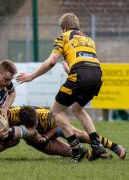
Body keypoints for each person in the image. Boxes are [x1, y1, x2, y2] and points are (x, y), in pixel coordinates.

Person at [16, 12, 116, 161]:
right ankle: (96, 145)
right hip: (97, 76)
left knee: (55, 111)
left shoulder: (63, 37)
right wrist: (71, 71)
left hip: (80, 76)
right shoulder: (89, 39)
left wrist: (31, 76)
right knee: (77, 109)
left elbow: (51, 61)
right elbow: (86, 61)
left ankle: (76, 150)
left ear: (64, 28)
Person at [0, 106, 126, 160]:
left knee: (82, 135)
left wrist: (46, 136)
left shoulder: (45, 117)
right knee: (67, 152)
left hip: (53, 129)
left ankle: (115, 147)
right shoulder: (9, 117)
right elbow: (2, 143)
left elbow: (60, 123)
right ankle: (95, 155)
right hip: (37, 140)